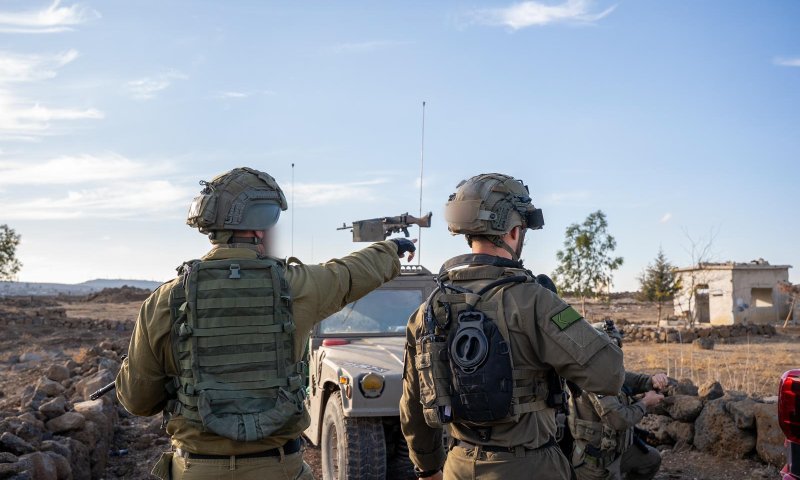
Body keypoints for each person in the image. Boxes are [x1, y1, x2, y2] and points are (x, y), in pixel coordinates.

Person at [115, 167, 416, 480]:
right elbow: (349, 273)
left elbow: (139, 402)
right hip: (279, 468)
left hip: (195, 468)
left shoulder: (165, 300)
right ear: (260, 227)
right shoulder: (296, 285)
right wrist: (391, 248)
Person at [399, 172, 625, 480]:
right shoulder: (536, 301)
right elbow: (609, 374)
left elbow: (413, 407)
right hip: (531, 467)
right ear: (514, 230)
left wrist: (427, 468)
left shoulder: (426, 311)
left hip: (458, 465)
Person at [567, 322, 666, 480]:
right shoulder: (591, 378)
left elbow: (629, 379)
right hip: (595, 463)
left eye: (616, 346)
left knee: (651, 460)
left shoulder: (607, 370)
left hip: (617, 451)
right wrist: (645, 403)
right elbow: (619, 420)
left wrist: (652, 380)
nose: (614, 352)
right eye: (609, 347)